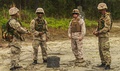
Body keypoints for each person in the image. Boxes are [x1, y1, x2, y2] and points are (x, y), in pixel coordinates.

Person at [93, 3, 112, 70]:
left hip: (105, 36)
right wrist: (96, 31)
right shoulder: (102, 17)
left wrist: (98, 32)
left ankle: (108, 64)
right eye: (100, 10)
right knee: (101, 50)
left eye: (102, 10)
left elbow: (106, 28)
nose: (101, 11)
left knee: (105, 49)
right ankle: (103, 62)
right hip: (100, 36)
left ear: (105, 9)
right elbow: (99, 26)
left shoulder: (107, 17)